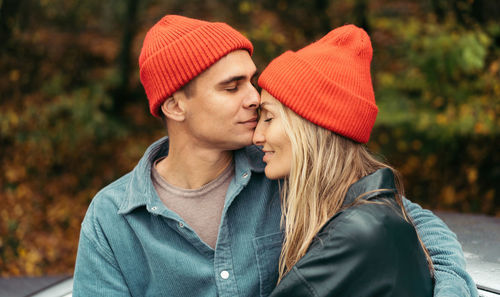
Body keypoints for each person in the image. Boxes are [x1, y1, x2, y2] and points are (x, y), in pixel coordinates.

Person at [73, 15, 478, 297]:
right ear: (176, 106)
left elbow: (413, 226)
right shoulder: (113, 220)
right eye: (232, 88)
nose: (254, 98)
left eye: (251, 80)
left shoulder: (284, 169)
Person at [253, 24, 439, 296]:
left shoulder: (355, 235)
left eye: (268, 117)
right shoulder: (376, 216)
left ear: (312, 127)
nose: (257, 135)